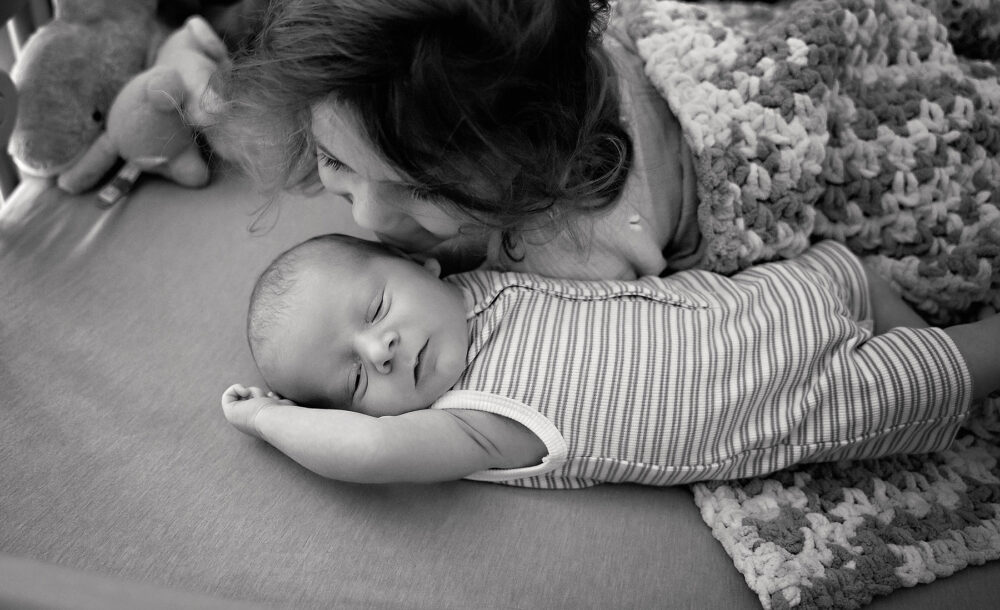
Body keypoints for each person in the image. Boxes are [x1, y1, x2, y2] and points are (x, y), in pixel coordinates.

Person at [221, 233, 999, 489]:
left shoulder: (479, 273)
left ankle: (931, 345)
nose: (381, 349)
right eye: (355, 379)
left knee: (854, 271)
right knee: (940, 372)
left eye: (374, 311)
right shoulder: (469, 424)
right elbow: (367, 451)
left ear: (420, 264)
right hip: (797, 398)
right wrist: (268, 420)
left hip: (766, 296)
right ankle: (953, 372)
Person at [217, 0, 703, 279]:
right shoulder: (351, 92)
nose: (368, 217)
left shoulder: (572, 257)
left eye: (421, 188)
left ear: (533, 156)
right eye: (336, 160)